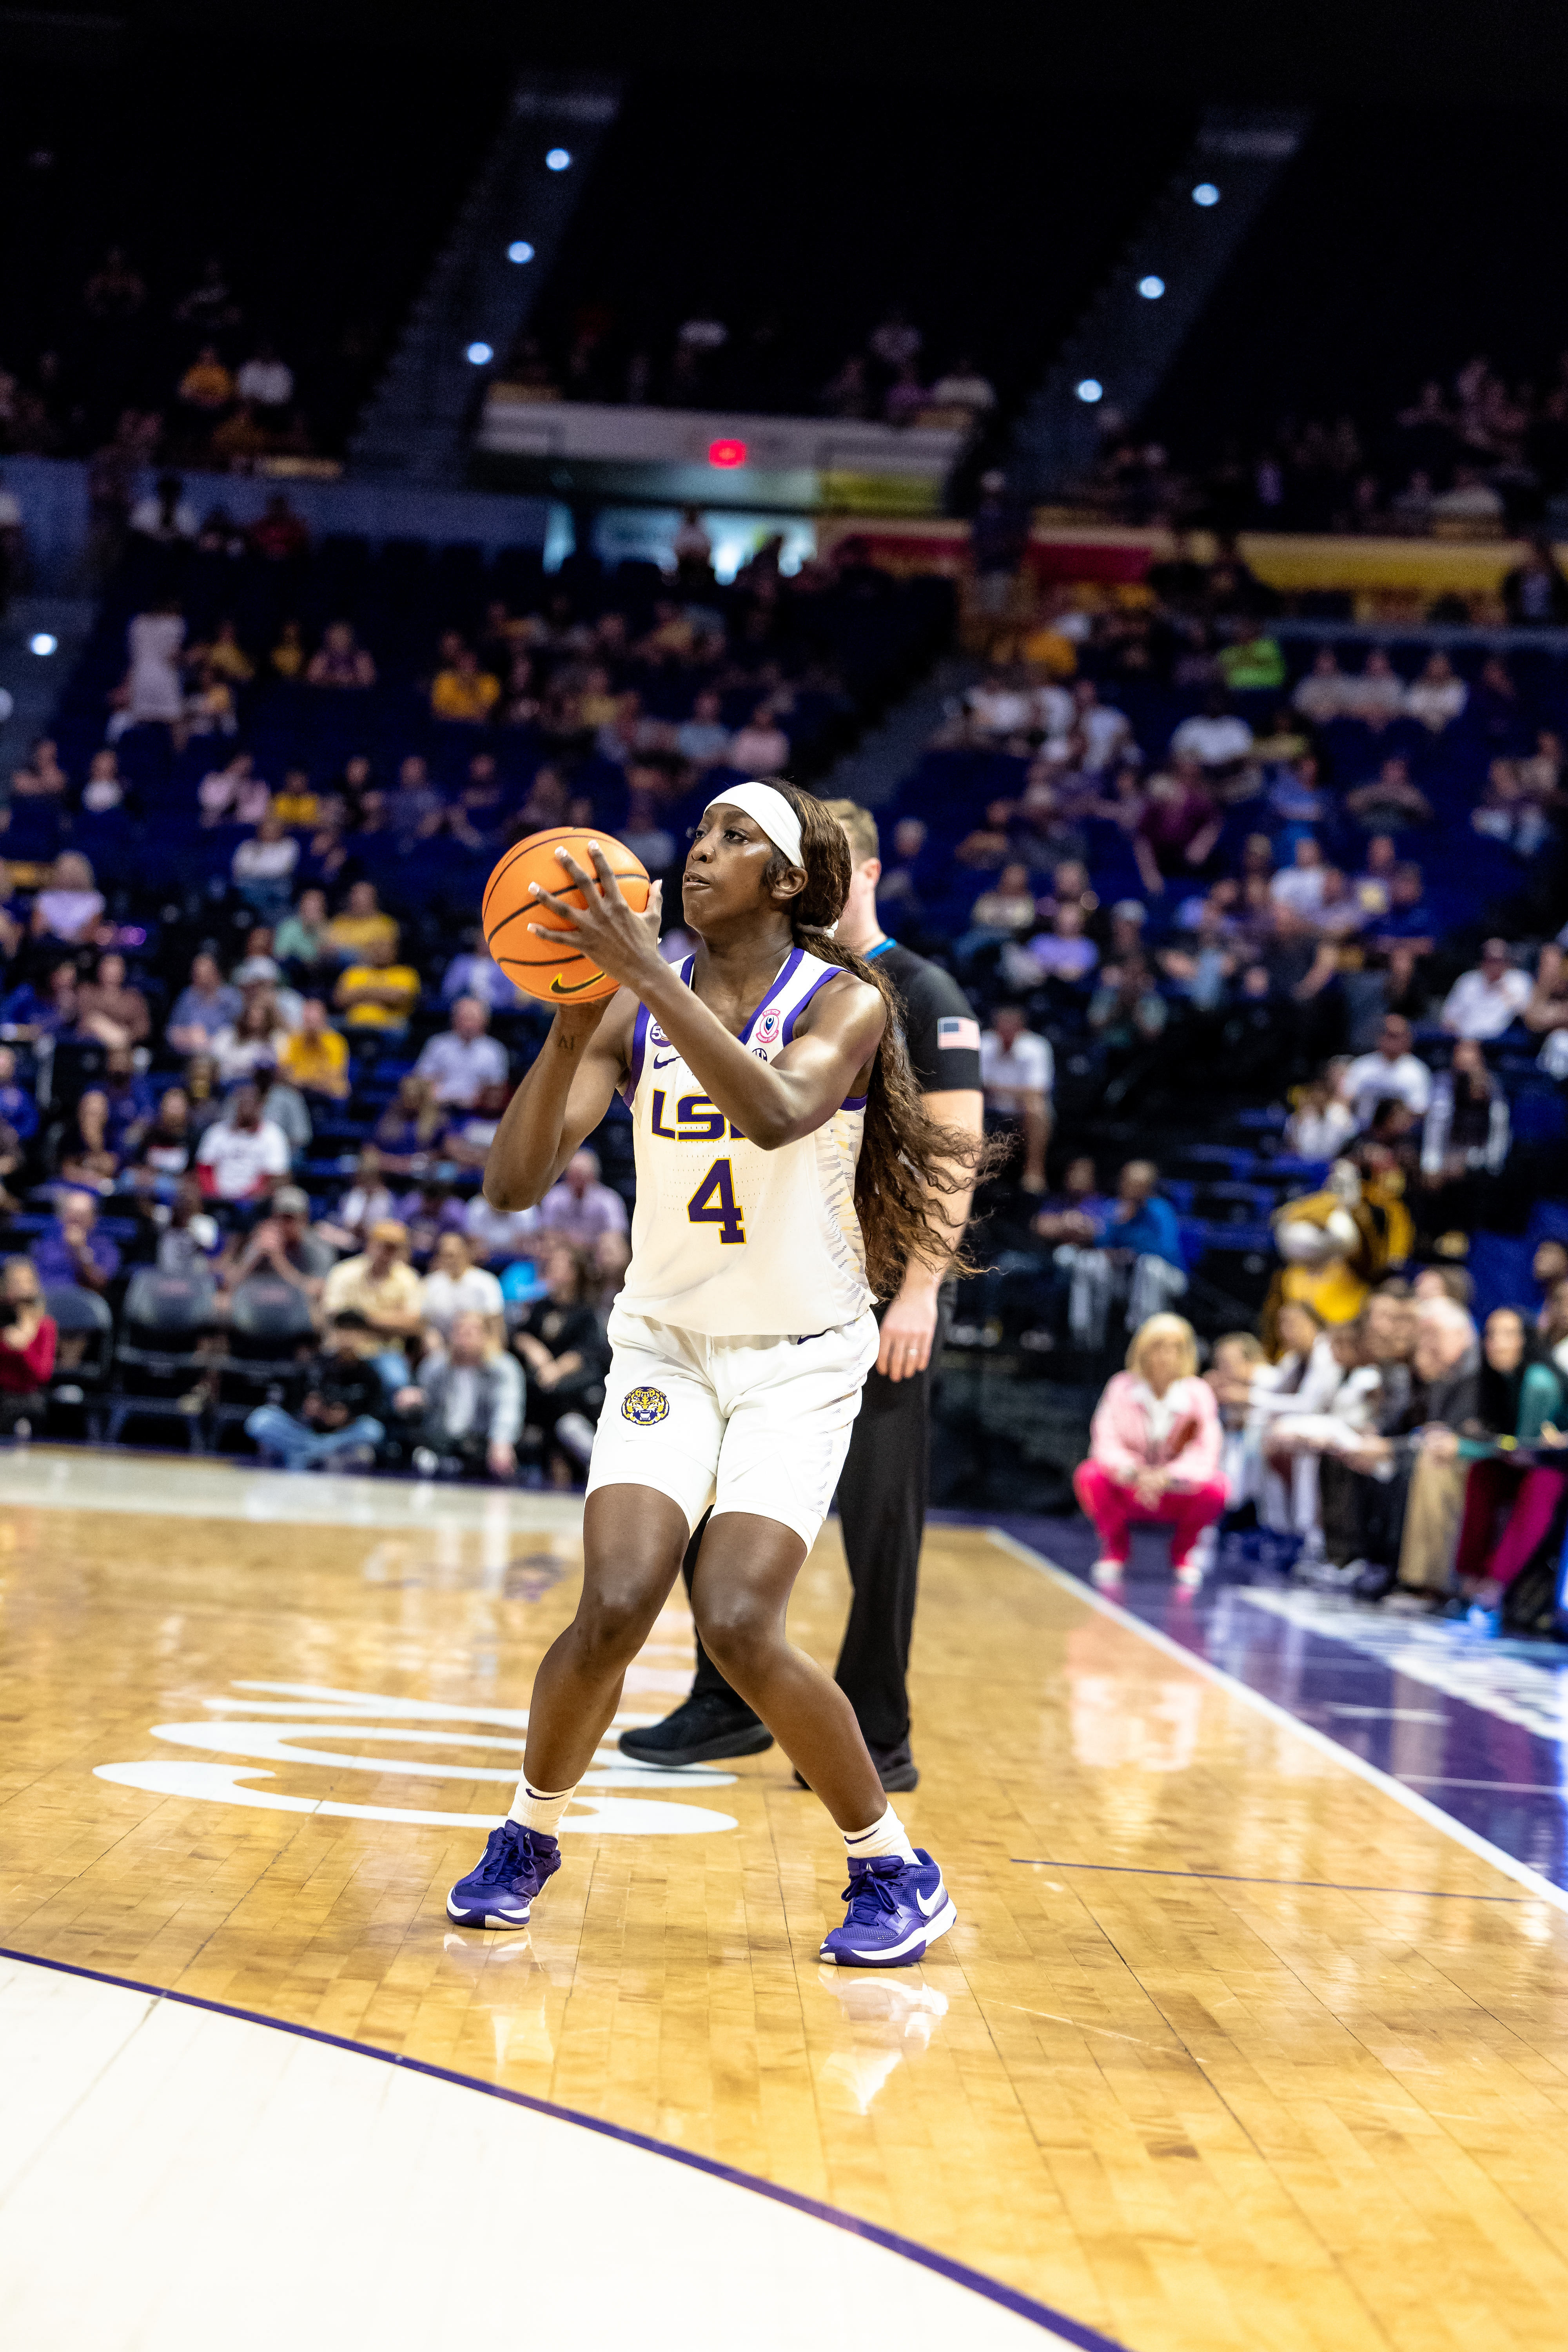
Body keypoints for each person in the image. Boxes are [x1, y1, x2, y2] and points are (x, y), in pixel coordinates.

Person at [444, 779, 980, 1966]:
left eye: (738, 838)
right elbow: (512, 1183)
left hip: (799, 1359)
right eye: (698, 833)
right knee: (617, 1603)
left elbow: (784, 1111)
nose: (700, 852)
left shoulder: (846, 1001)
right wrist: (570, 1017)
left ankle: (892, 1863)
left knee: (739, 1619)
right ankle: (527, 1834)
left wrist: (640, 982)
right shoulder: (635, 1008)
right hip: (666, 1349)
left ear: (790, 883)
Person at [623, 798, 984, 1790]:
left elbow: (952, 1157)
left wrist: (918, 1294)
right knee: (710, 1509)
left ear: (851, 873)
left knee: (877, 1524)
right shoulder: (747, 980)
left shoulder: (913, 987)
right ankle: (722, 1703)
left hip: (866, 1298)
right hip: (744, 1289)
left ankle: (878, 1730)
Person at [1073, 1314, 1226, 1591]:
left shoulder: (1198, 1393)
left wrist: (1166, 1476)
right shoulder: (1121, 1387)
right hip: (1131, 1485)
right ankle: (1116, 1549)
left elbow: (1205, 1453)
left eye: (1176, 1347)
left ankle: (1183, 1553)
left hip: (1174, 1490)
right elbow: (1105, 1443)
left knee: (1217, 1487)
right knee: (1090, 1474)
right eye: (1159, 1346)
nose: (1166, 1355)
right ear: (1143, 1349)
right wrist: (1137, 1473)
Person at [246, 1315, 386, 1473]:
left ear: (364, 1336)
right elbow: (290, 1403)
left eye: (353, 1332)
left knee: (372, 1430)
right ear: (333, 1333)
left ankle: (307, 1455)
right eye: (343, 1331)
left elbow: (374, 1413)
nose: (347, 1338)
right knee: (261, 1420)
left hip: (340, 1437)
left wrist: (346, 1418)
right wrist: (307, 1411)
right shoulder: (314, 1364)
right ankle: (315, 1454)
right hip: (305, 1432)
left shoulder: (371, 1374)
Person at [396, 1308, 522, 1479]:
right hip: (440, 1439)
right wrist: (415, 1398)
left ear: (485, 1336)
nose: (463, 1338)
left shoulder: (502, 1368)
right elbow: (427, 1397)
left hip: (480, 1442)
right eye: (458, 1332)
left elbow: (507, 1408)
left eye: (470, 1333)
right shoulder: (436, 1364)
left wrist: (501, 1442)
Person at [321, 1219, 425, 1390]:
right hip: (342, 1348)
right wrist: (389, 1323)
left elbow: (413, 1324)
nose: (387, 1253)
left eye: (394, 1248)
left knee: (396, 1381)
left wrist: (362, 1318)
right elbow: (336, 1317)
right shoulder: (344, 1272)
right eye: (383, 1246)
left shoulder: (408, 1278)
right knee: (320, 1381)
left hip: (385, 1351)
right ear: (370, 1244)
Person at [979, 1004, 1051, 1193]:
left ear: (1021, 1029)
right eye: (1002, 1027)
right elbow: (975, 1087)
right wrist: (1018, 1091)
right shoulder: (983, 1043)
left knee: (1038, 1109)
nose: (1006, 1032)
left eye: (1012, 1027)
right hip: (987, 1110)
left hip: (1022, 1113)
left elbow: (1037, 1093)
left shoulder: (1037, 1046)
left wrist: (995, 1088)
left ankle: (1034, 1171)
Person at [194, 1082, 291, 1204]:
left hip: (256, 1203)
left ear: (260, 1105)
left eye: (251, 1102)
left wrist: (245, 1198)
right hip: (216, 1199)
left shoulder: (273, 1134)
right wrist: (215, 1194)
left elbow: (274, 1175)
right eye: (243, 1102)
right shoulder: (217, 1132)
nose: (246, 1106)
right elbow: (204, 1169)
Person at [414, 996, 508, 1107]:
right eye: (464, 1018)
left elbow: (497, 1087)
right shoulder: (438, 1044)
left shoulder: (494, 1050)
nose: (468, 1025)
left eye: (473, 1019)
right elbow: (423, 1078)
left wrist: (478, 1100)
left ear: (485, 1021)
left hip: (478, 1110)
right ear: (454, 1020)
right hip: (438, 1106)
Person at [1343, 1015, 1434, 1127]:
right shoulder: (1362, 1066)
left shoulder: (1417, 1071)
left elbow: (1419, 1110)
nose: (1392, 1041)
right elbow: (1344, 1099)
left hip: (1399, 1136)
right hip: (1363, 1131)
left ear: (1407, 1039)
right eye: (1388, 1035)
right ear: (1379, 1037)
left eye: (1396, 1036)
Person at [0, 1255, 57, 1430]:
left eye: (26, 1283)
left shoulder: (46, 1326)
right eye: (15, 1283)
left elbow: (42, 1375)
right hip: (2, 1394)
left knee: (29, 1408)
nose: (21, 1290)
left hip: (29, 1397)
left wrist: (23, 1349)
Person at [537, 1147, 629, 1250]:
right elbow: (547, 1232)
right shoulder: (554, 1197)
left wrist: (586, 1242)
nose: (578, 1181)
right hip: (564, 1252)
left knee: (615, 1249)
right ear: (567, 1176)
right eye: (574, 1175)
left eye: (582, 1176)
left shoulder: (609, 1199)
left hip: (597, 1251)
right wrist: (573, 1242)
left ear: (593, 1177)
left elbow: (617, 1233)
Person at [1440, 940, 1532, 1041]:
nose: (1494, 965)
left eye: (1499, 960)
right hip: (1467, 1039)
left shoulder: (1519, 980)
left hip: (1503, 1042)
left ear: (1507, 961)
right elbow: (1448, 1018)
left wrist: (1504, 990)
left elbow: (1525, 1014)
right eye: (1490, 960)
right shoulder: (1468, 981)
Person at [421, 1230, 504, 1342]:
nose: (451, 1260)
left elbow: (495, 1326)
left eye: (453, 1255)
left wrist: (493, 1352)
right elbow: (423, 1323)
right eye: (445, 1255)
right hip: (442, 1348)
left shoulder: (487, 1282)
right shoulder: (431, 1283)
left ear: (465, 1253)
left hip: (479, 1347)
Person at [334, 933, 421, 1038]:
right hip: (353, 1023)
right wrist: (384, 994)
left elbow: (401, 998)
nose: (380, 952)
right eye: (376, 948)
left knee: (399, 1032)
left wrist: (361, 992)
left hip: (391, 1025)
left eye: (385, 947)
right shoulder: (354, 972)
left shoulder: (406, 973)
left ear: (395, 950)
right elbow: (340, 1000)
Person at [278, 996, 350, 1102]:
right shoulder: (294, 1039)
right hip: (300, 1092)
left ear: (323, 1020)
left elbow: (334, 1075)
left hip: (327, 1093)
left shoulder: (336, 1041)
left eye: (314, 1021)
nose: (311, 1026)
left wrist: (305, 1080)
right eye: (308, 1021)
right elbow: (285, 1072)